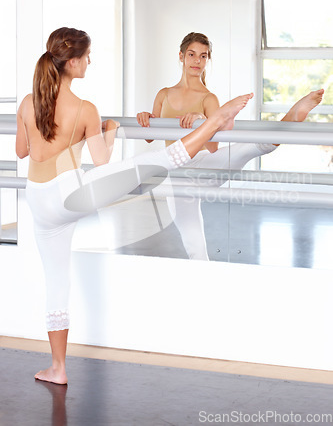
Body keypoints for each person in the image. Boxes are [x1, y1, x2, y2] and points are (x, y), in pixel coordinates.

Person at [16, 27, 254, 385]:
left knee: (56, 283)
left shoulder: (27, 102)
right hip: (69, 195)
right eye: (88, 56)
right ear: (75, 61)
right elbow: (101, 162)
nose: (91, 61)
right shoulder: (85, 109)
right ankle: (214, 125)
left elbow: (22, 151)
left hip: (38, 200)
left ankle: (58, 368)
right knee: (152, 163)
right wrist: (108, 130)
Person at [137, 32, 324, 261]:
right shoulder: (163, 94)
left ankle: (290, 117)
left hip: (203, 164)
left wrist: (201, 121)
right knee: (194, 245)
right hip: (175, 171)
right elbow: (149, 137)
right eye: (192, 54)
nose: (197, 61)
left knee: (246, 148)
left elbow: (214, 147)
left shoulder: (208, 98)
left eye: (203, 56)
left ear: (208, 60)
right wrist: (146, 118)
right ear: (181, 56)